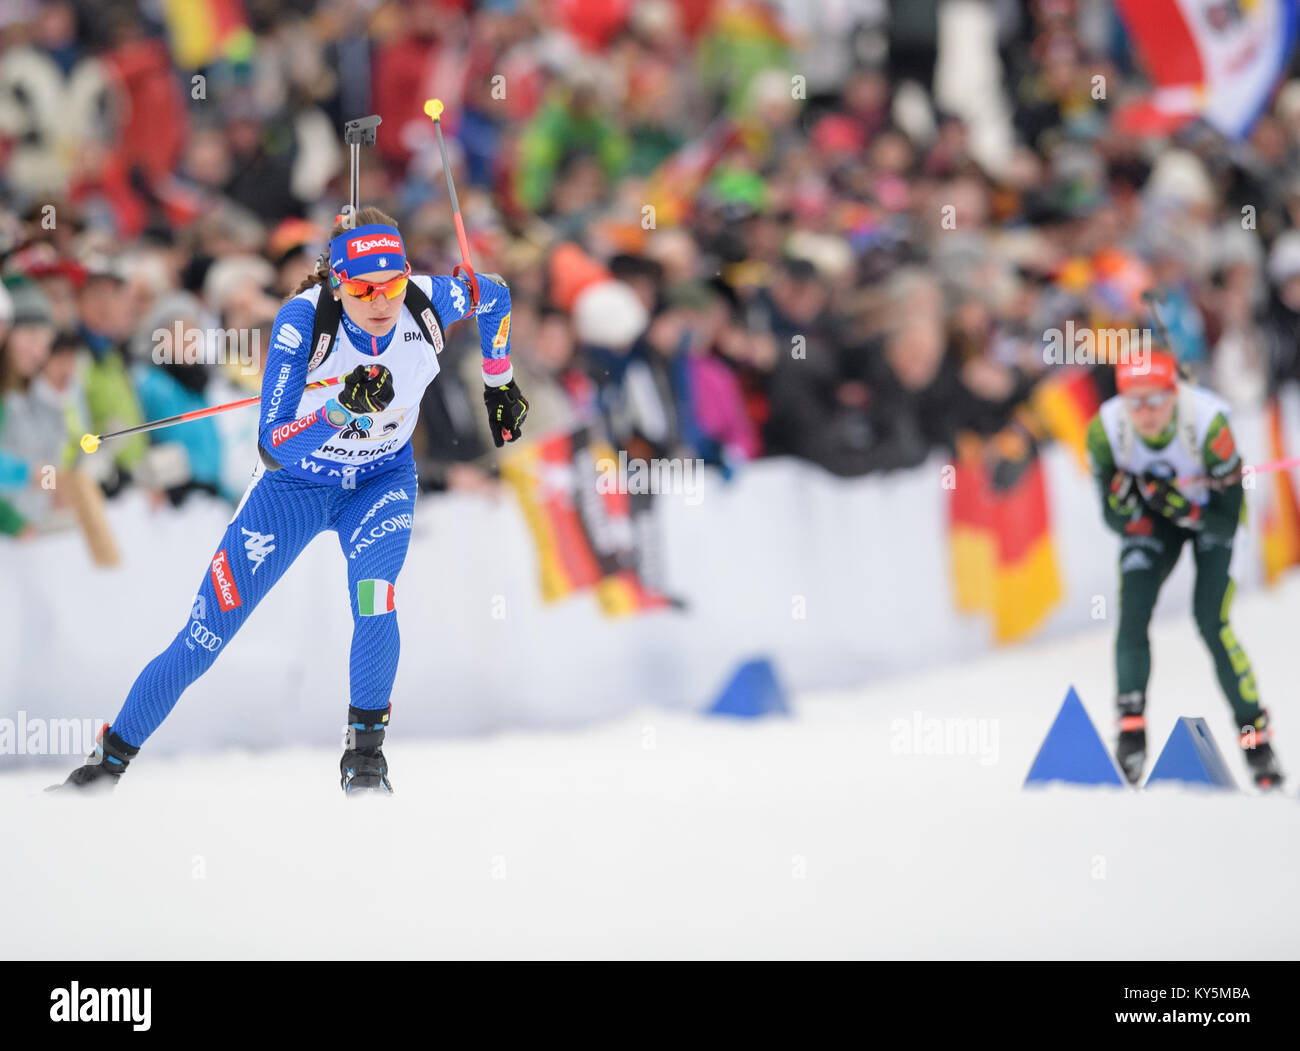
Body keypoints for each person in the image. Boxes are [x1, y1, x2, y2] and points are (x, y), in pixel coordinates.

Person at [52, 206, 529, 794]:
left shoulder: (428, 302)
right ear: (336, 282)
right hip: (295, 489)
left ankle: (365, 760)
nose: (382, 302)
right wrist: (339, 409)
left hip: (379, 482)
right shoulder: (301, 323)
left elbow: (496, 295)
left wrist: (500, 382)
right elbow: (274, 444)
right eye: (363, 289)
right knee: (204, 638)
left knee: (375, 598)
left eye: (393, 285)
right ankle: (106, 765)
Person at [1086, 349, 1282, 789]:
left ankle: (1257, 741)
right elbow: (1113, 519)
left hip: (1210, 516)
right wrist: (1130, 503)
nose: (1146, 413)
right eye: (1135, 402)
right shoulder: (1105, 429)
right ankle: (1131, 731)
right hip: (1158, 523)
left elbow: (1228, 518)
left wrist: (1184, 509)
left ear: (1175, 394)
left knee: (1211, 621)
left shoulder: (1209, 423)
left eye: (1156, 399)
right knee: (1133, 612)